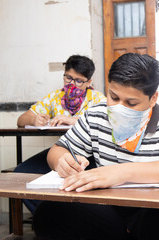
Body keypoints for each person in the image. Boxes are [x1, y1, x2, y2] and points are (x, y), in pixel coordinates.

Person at [32, 53, 159, 240]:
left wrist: (121, 173)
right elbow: (57, 150)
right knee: (49, 213)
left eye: (131, 103)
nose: (119, 108)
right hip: (113, 207)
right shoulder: (96, 116)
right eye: (114, 97)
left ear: (153, 98)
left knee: (158, 220)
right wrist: (62, 161)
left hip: (157, 208)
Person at [15, 55, 105, 213]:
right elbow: (22, 119)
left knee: (80, 182)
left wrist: (74, 120)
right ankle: (50, 218)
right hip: (60, 153)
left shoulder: (97, 99)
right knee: (21, 175)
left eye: (78, 81)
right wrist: (35, 119)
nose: (72, 84)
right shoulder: (55, 97)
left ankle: (73, 222)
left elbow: (107, 121)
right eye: (68, 78)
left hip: (89, 155)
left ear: (89, 82)